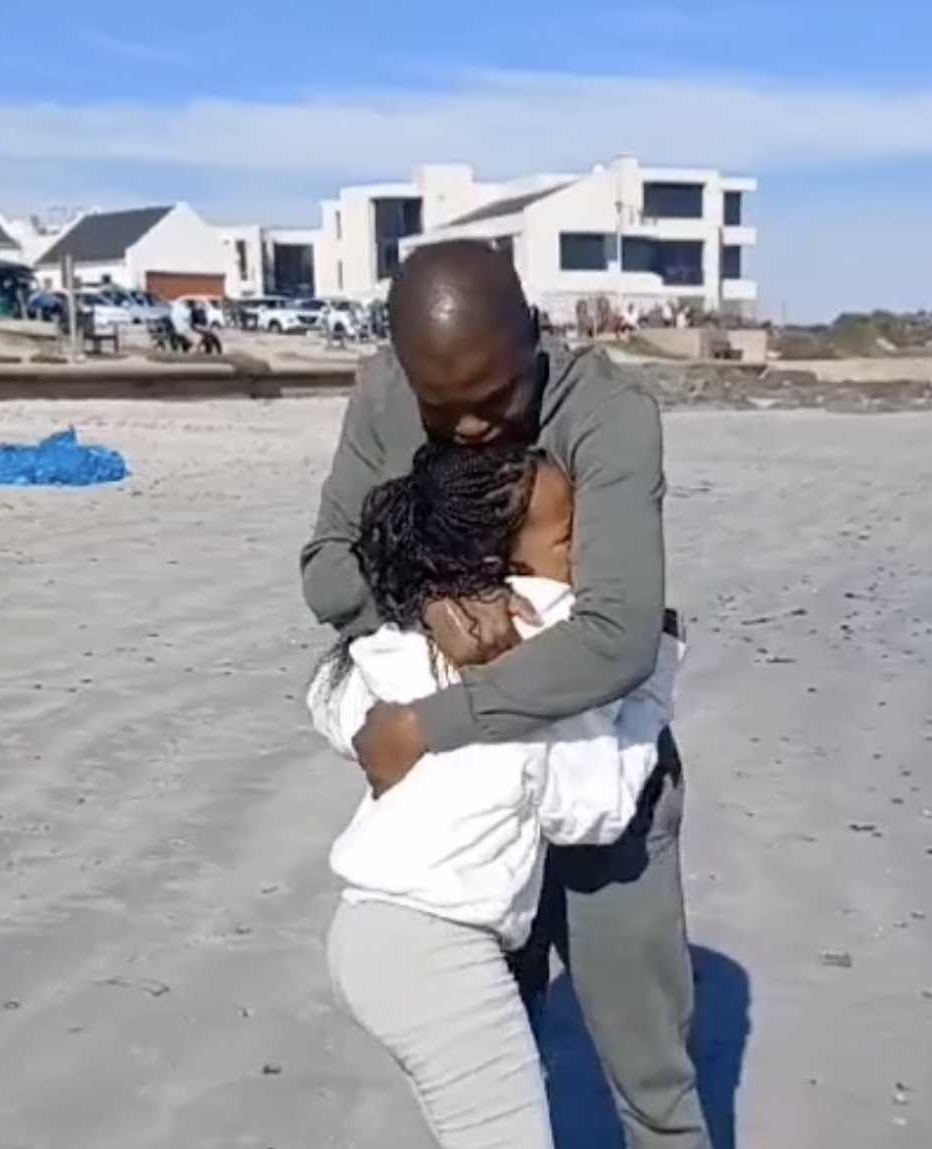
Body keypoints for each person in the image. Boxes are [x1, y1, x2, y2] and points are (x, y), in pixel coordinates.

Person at [302, 240, 709, 1148]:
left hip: (598, 765)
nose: (476, 429)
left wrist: (430, 723)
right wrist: (435, 598)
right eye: (445, 412)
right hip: (480, 799)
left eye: (497, 401)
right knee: (500, 1045)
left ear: (533, 335)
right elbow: (327, 570)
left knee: (651, 1076)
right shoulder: (384, 397)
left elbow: (617, 637)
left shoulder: (607, 413)